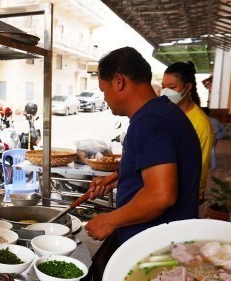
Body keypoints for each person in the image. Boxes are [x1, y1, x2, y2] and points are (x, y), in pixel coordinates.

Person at [84, 47, 201, 244]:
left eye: (104, 90)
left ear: (119, 82)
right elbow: (159, 172)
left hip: (158, 248)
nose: (104, 97)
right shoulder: (164, 111)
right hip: (167, 241)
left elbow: (160, 195)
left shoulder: (151, 121)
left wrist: (109, 221)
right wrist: (124, 179)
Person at [162, 61, 214, 198]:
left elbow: (199, 168)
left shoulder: (201, 123)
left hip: (184, 194)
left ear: (188, 87)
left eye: (172, 87)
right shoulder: (166, 112)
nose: (166, 92)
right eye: (163, 87)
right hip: (162, 187)